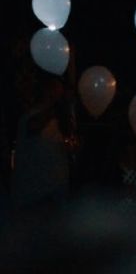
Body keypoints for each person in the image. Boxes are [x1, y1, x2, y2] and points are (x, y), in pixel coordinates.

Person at [11, 75, 70, 211]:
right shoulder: (30, 118)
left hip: (55, 190)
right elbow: (34, 126)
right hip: (35, 193)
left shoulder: (55, 122)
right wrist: (53, 105)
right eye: (55, 89)